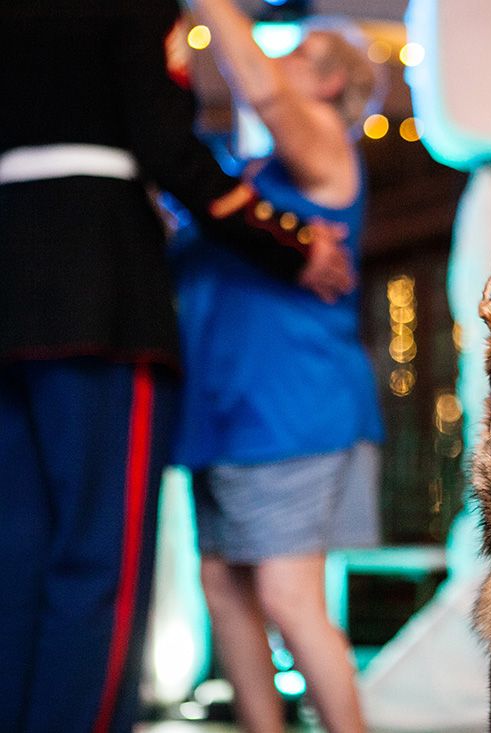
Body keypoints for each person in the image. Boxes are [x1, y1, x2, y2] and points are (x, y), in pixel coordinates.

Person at [0, 2, 355, 732]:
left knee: (21, 555)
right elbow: (165, 142)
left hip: (19, 294)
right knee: (96, 561)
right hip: (99, 295)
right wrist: (290, 244)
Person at [171, 1, 385, 731]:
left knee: (289, 595)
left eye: (296, 56)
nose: (275, 64)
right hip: (226, 411)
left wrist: (212, 5)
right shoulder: (249, 173)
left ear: (329, 83)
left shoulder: (323, 146)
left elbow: (262, 91)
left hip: (290, 405)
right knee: (224, 587)